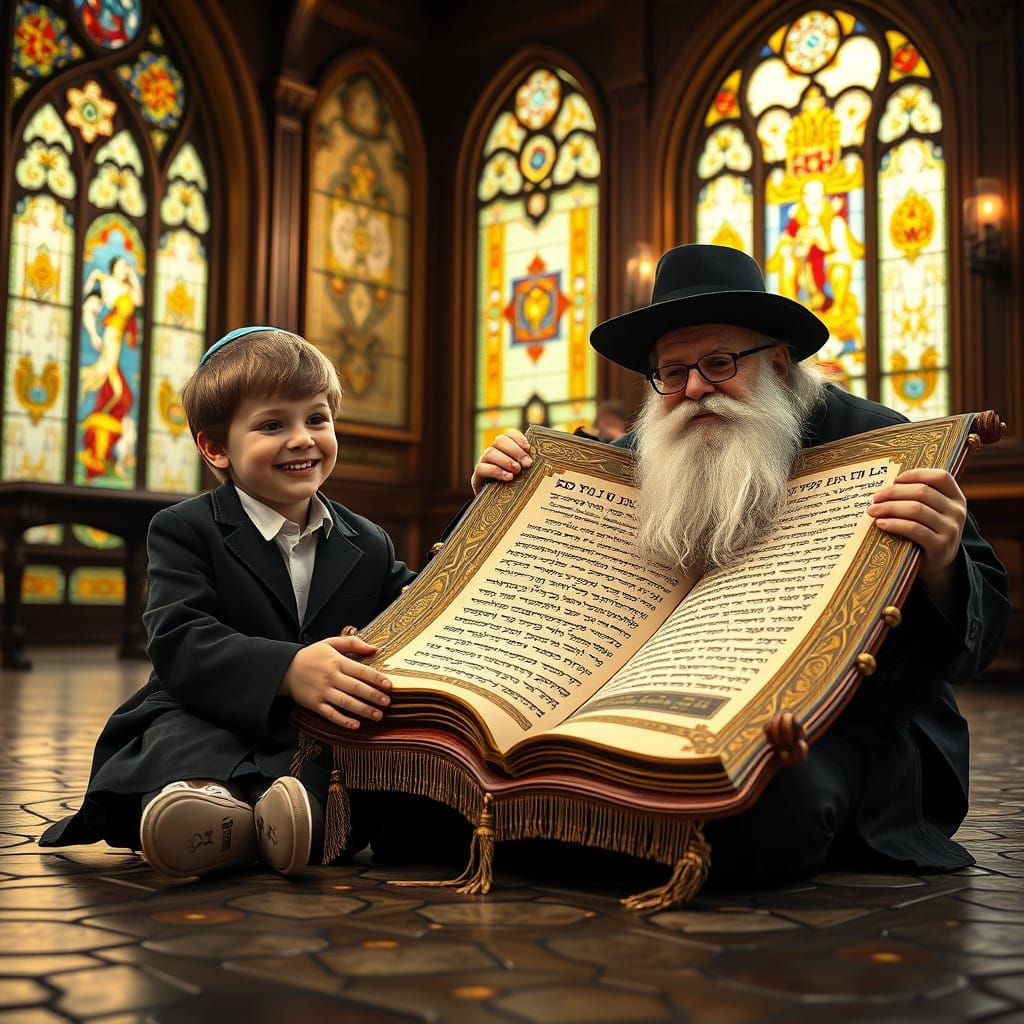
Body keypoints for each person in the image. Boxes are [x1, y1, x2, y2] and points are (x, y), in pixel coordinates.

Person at [472, 243, 1010, 888]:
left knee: (763, 812)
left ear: (780, 364)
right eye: (672, 373)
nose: (695, 388)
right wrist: (501, 502)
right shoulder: (634, 455)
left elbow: (973, 644)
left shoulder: (880, 443)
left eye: (720, 363)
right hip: (648, 712)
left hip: (843, 725)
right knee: (477, 789)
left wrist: (943, 560)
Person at [41, 327, 412, 880]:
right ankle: (203, 808)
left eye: (316, 419)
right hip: (206, 704)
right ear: (216, 447)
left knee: (341, 767)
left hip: (313, 729)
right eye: (271, 425)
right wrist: (286, 668)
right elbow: (179, 638)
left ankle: (264, 827)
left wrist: (489, 506)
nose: (302, 439)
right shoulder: (185, 529)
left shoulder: (370, 541)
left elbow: (429, 603)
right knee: (179, 743)